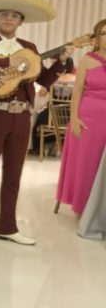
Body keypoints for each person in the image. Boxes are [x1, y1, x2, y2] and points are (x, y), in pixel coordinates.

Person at [0, 0, 73, 248]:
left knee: (14, 175)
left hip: (22, 116)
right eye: (4, 15)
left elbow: (42, 81)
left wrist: (59, 63)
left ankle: (8, 227)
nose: (9, 19)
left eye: (14, 16)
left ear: (21, 21)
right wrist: (8, 60)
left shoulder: (30, 48)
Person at [56, 18, 106, 231]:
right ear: (96, 38)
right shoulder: (87, 59)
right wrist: (74, 118)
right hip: (88, 117)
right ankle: (82, 207)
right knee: (88, 163)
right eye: (103, 33)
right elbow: (76, 91)